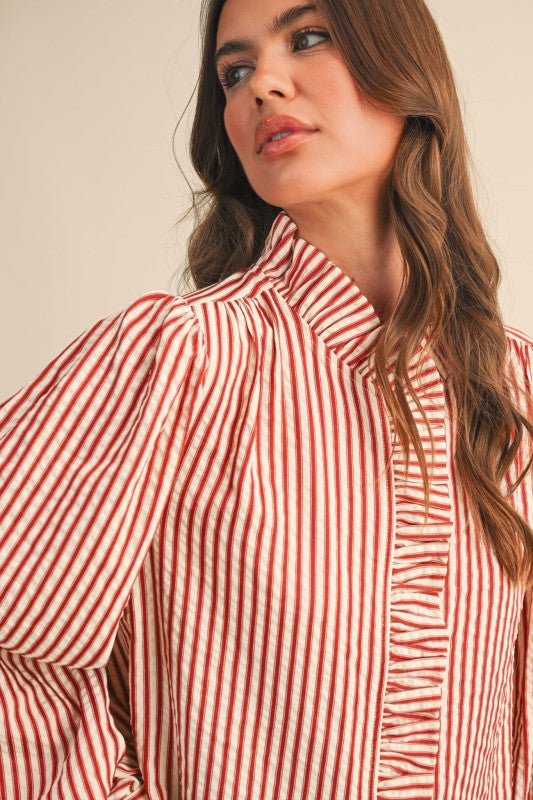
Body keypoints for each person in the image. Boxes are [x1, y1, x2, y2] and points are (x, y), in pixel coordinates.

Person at [1, 0, 532, 797]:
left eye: (308, 38)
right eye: (234, 72)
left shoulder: (511, 388)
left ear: (405, 68)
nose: (261, 88)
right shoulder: (178, 358)